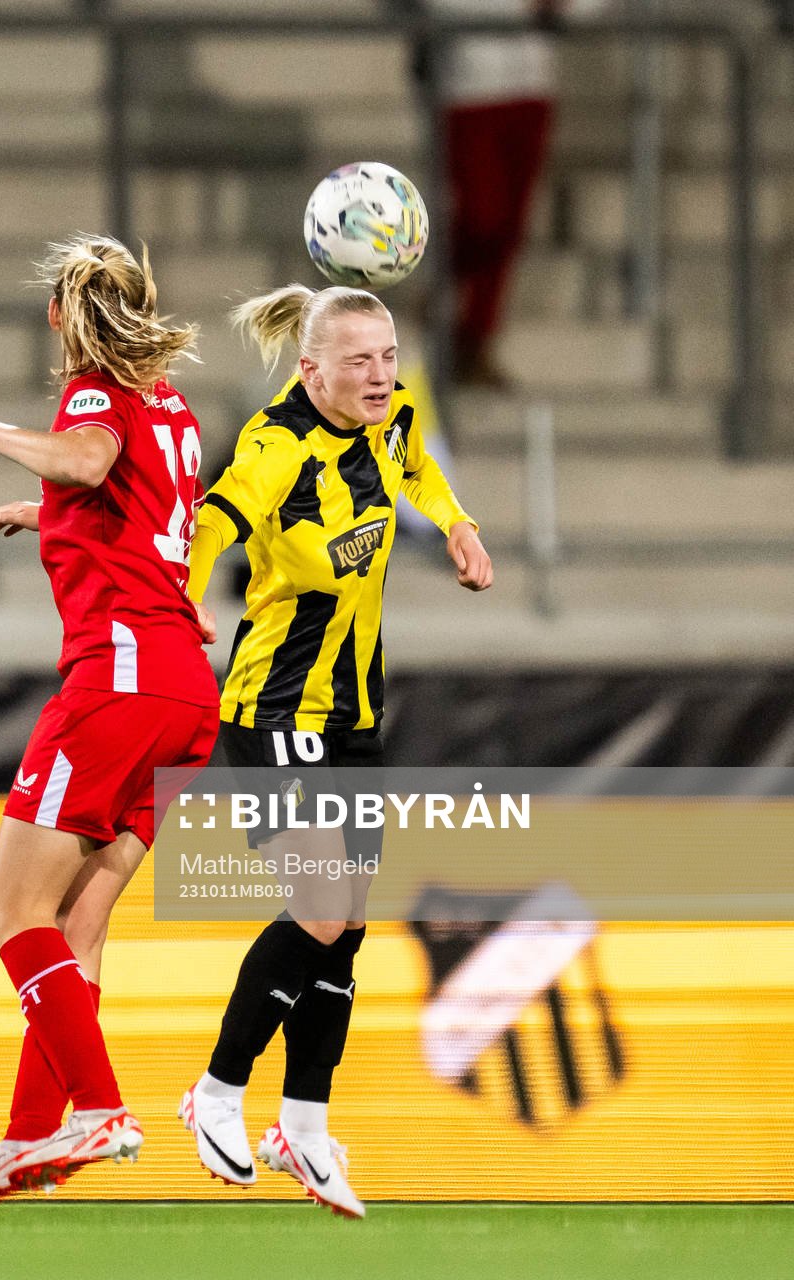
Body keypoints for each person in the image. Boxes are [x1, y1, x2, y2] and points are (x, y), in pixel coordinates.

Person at [176, 284, 493, 1217]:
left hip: (354, 717)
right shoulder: (276, 448)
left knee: (347, 923)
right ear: (309, 369)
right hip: (272, 710)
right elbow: (211, 520)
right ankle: (219, 1092)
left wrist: (461, 524)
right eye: (360, 361)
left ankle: (304, 1128)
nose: (382, 375)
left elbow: (420, 468)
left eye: (389, 357)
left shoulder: (386, 427)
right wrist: (191, 594)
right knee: (319, 908)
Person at [0, 237, 219, 1212]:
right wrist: (39, 509)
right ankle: (25, 1137)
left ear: (61, 316)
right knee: (76, 921)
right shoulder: (174, 411)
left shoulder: (96, 393)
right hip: (182, 688)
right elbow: (139, 514)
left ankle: (98, 1105)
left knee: (11, 912)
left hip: (120, 679)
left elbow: (89, 459)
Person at [423, 0, 593, 387]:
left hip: (534, 82)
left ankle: (477, 337)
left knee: (510, 225)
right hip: (471, 83)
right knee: (485, 216)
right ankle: (439, 281)